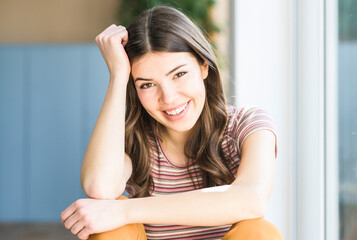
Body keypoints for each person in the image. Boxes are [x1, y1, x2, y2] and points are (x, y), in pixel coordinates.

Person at [60, 5, 283, 240]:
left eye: (179, 74)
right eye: (147, 84)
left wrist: (123, 211)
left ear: (203, 66)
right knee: (112, 229)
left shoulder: (247, 125)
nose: (168, 98)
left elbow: (251, 200)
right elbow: (99, 187)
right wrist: (117, 76)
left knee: (259, 233)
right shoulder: (134, 139)